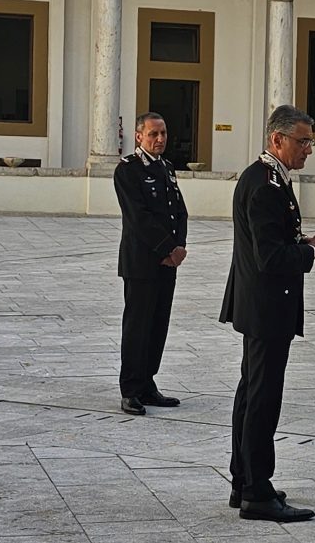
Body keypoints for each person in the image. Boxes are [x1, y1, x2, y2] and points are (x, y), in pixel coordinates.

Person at [222, 106, 315, 522]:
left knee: (251, 392)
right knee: (262, 399)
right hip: (267, 306)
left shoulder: (266, 177)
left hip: (260, 304)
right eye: (302, 140)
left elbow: (269, 238)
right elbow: (270, 256)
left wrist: (303, 240)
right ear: (277, 140)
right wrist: (311, 250)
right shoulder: (267, 185)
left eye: (310, 141)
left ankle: (244, 480)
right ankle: (257, 491)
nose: (309, 149)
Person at [113, 112, 188, 416]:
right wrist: (168, 247)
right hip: (142, 262)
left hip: (167, 262)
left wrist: (179, 247)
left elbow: (179, 211)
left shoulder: (167, 168)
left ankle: (147, 384)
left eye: (164, 134)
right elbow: (138, 217)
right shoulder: (128, 170)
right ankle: (130, 389)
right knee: (137, 327)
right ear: (138, 136)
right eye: (153, 134)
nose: (160, 140)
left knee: (158, 325)